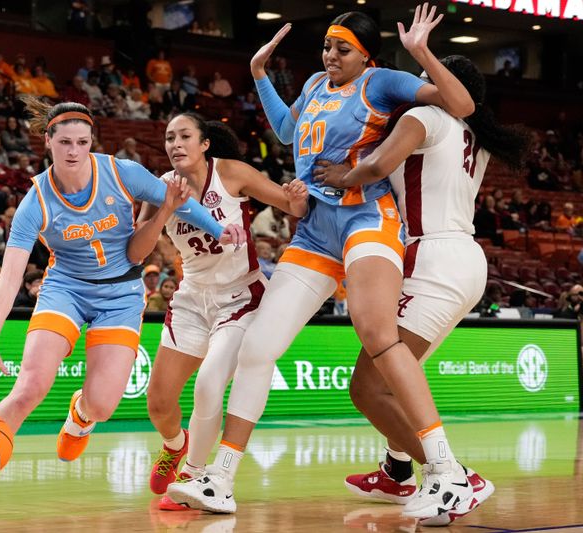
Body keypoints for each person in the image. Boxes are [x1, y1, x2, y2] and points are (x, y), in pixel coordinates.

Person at [165, 6, 480, 522]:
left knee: (377, 333)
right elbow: (289, 133)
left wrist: (421, 52)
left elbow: (461, 103)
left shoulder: (384, 82)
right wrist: (260, 76)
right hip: (314, 232)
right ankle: (219, 478)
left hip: (366, 220)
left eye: (342, 49)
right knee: (258, 349)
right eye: (328, 47)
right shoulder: (314, 82)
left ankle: (446, 470)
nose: (331, 56)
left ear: (366, 55)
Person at [0, 99, 244, 519]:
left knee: (101, 406)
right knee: (30, 387)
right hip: (65, 289)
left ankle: (80, 413)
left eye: (82, 141)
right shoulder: (35, 202)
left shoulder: (121, 173)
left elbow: (179, 201)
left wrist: (217, 226)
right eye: (64, 142)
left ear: (91, 141)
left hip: (120, 295)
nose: (74, 150)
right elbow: (8, 278)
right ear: (48, 142)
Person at [314, 54, 528, 525]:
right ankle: (396, 470)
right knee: (398, 380)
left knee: (368, 387)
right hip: (463, 259)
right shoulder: (476, 136)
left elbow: (378, 167)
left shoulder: (423, 115)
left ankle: (457, 477)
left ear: (436, 84)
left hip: (434, 258)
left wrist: (341, 176)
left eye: (420, 80)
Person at [129, 113, 308, 501]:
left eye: (185, 136)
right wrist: (162, 210)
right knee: (159, 403)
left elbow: (292, 207)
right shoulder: (158, 188)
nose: (175, 144)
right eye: (169, 137)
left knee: (210, 384)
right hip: (192, 298)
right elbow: (136, 252)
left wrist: (296, 195)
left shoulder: (231, 173)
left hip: (240, 297)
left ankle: (194, 476)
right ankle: (176, 445)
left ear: (204, 143)